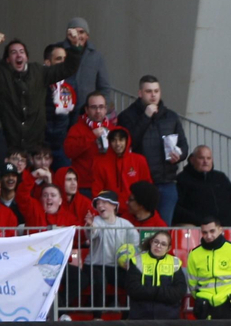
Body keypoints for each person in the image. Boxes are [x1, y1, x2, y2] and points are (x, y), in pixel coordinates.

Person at [0, 37, 81, 153]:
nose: (18, 55)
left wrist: (74, 47)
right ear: (7, 59)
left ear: (27, 57)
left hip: (35, 146)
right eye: (13, 52)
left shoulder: (39, 72)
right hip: (8, 146)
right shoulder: (0, 74)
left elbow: (68, 68)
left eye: (21, 52)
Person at [116, 75, 188, 223]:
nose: (153, 94)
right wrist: (146, 117)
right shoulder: (127, 116)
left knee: (162, 229)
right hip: (142, 184)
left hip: (167, 181)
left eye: (156, 90)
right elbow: (127, 145)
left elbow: (183, 145)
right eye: (149, 91)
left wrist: (179, 155)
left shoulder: (171, 117)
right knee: (140, 228)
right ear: (140, 93)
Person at [187, 215, 231, 322]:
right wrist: (201, 298)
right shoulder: (194, 254)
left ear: (220, 229)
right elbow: (192, 284)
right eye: (205, 232)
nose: (209, 236)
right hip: (205, 305)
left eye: (212, 231)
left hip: (230, 304)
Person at [82, 191, 138, 313]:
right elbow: (92, 234)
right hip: (94, 265)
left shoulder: (125, 224)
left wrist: (131, 260)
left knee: (133, 280)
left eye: (104, 202)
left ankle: (128, 317)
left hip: (117, 266)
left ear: (114, 206)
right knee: (100, 280)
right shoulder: (95, 221)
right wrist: (90, 226)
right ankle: (97, 317)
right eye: (98, 203)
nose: (100, 206)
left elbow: (136, 244)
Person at [118, 230, 187, 320]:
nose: (158, 246)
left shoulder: (175, 263)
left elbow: (180, 291)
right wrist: (159, 293)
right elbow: (132, 289)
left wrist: (153, 292)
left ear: (169, 248)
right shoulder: (137, 261)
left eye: (163, 244)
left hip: (169, 318)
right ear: (151, 242)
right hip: (140, 317)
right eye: (156, 242)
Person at [172, 144, 231, 227]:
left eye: (208, 158)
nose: (205, 161)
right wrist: (200, 221)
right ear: (192, 160)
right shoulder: (182, 179)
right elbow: (177, 208)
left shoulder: (221, 177)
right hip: (197, 227)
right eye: (201, 158)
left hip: (225, 226)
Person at [90, 127, 152, 208]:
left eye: (121, 140)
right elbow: (97, 190)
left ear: (127, 141)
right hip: (111, 211)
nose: (118, 143)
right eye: (114, 140)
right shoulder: (100, 163)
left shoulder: (139, 160)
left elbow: (147, 186)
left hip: (134, 210)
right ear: (109, 142)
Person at [63, 18, 111, 119]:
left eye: (81, 32)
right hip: (62, 107)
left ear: (87, 36)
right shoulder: (59, 52)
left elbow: (104, 87)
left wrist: (101, 109)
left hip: (86, 111)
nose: (78, 36)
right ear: (68, 34)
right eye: (75, 32)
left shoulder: (96, 56)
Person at [62, 91, 119, 174]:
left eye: (101, 107)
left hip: (107, 181)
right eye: (93, 107)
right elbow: (69, 152)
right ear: (87, 109)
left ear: (105, 109)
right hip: (85, 183)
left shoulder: (113, 129)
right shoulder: (76, 129)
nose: (98, 111)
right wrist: (91, 136)